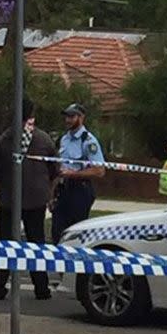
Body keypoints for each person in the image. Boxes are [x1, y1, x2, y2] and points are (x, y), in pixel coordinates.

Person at [0, 99, 58, 300]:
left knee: (6, 244)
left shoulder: (6, 138)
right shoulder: (43, 139)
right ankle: (41, 288)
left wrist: (7, 185)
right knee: (36, 244)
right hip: (36, 200)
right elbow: (54, 169)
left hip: (9, 199)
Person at [51, 103, 105, 244]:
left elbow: (99, 170)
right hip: (62, 190)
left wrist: (73, 174)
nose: (68, 120)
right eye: (67, 116)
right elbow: (59, 167)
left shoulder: (88, 141)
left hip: (80, 191)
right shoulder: (64, 139)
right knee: (57, 232)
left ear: (81, 117)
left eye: (72, 116)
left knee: (75, 234)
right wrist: (51, 194)